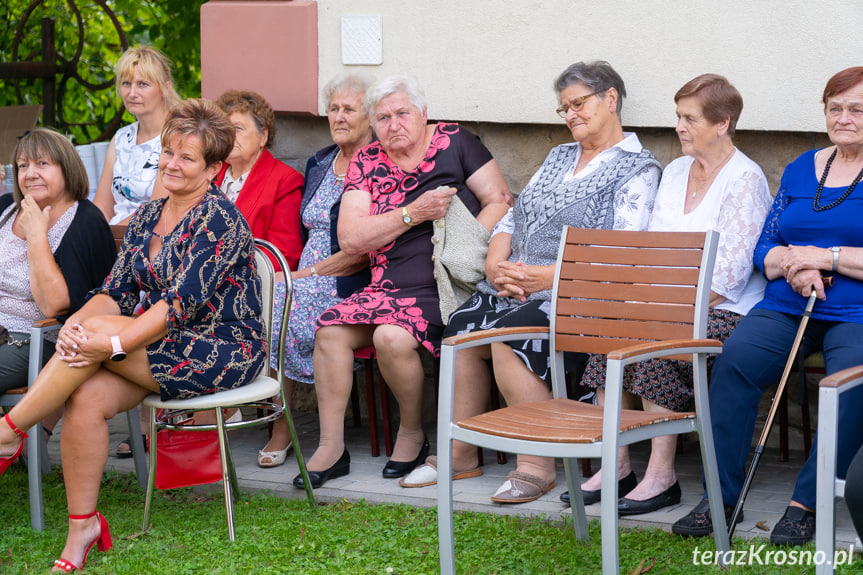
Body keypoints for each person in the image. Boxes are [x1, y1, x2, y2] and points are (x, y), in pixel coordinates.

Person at [0, 99, 265, 572]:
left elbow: (177, 305)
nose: (172, 164)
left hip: (221, 348)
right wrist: (79, 327)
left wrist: (113, 343)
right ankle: (83, 525)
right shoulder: (147, 216)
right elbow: (115, 293)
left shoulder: (219, 219)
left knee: (97, 331)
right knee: (87, 396)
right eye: (168, 153)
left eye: (187, 157)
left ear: (214, 168)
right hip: (157, 347)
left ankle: (8, 431)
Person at [400, 61, 662, 504]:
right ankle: (460, 454)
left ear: (611, 100)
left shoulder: (638, 169)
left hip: (579, 293)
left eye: (578, 104)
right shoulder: (559, 155)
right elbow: (511, 214)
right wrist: (496, 262)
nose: (571, 115)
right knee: (461, 329)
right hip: (517, 282)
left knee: (509, 337)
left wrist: (548, 277)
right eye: (564, 108)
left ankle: (536, 465)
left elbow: (622, 254)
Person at [672, 66, 863, 545]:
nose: (844, 118)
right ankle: (720, 497)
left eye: (857, 109)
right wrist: (793, 266)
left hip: (857, 312)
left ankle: (807, 503)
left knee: (847, 387)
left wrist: (827, 257)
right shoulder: (803, 167)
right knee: (735, 363)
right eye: (835, 108)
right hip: (789, 302)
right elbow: (765, 245)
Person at [293, 75, 512, 489]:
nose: (393, 125)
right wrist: (412, 213)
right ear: (373, 125)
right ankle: (331, 446)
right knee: (330, 331)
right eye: (383, 118)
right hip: (386, 283)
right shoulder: (368, 161)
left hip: (444, 282)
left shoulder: (456, 142)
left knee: (391, 338)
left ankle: (411, 431)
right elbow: (351, 238)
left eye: (402, 114)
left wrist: (463, 248)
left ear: (423, 114)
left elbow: (499, 199)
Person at [574, 74, 772, 514]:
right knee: (607, 338)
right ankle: (617, 464)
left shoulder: (745, 179)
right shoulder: (677, 170)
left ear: (722, 124)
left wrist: (658, 307)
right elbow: (651, 246)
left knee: (656, 346)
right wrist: (643, 300)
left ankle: (662, 476)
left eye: (690, 118)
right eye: (678, 116)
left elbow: (729, 277)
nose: (680, 126)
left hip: (726, 310)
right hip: (663, 299)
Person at [256, 73, 373, 468]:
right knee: (268, 297)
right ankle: (253, 413)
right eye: (333, 109)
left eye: (349, 109)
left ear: (370, 115)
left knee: (281, 302)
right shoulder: (321, 161)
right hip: (308, 273)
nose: (339, 117)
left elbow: (362, 249)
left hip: (349, 278)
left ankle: (280, 429)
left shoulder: (379, 164)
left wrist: (303, 277)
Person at [0, 128, 116, 397]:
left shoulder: (83, 222)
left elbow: (55, 305)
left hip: (37, 341)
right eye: (23, 165)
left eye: (43, 163)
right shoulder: (6, 208)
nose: (30, 174)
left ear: (67, 168)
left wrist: (37, 237)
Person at [214, 90, 304, 271]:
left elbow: (284, 256)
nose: (229, 136)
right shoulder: (210, 174)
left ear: (263, 136)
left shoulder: (284, 181)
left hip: (245, 284)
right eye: (224, 129)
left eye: (237, 128)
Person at [94, 46, 181, 225]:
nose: (132, 93)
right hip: (112, 237)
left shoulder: (177, 137)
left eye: (143, 84)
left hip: (148, 238)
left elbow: (156, 210)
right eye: (126, 83)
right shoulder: (121, 138)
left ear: (165, 88)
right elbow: (102, 206)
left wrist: (108, 239)